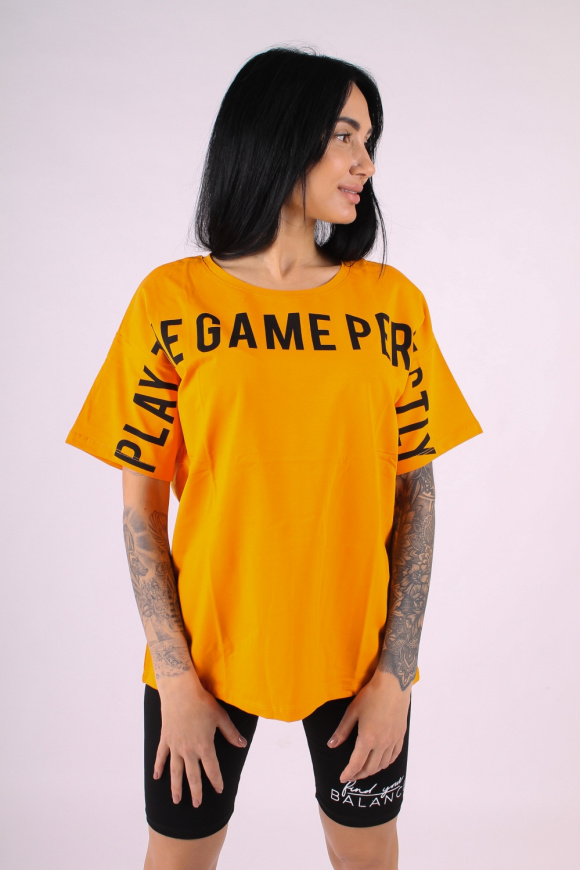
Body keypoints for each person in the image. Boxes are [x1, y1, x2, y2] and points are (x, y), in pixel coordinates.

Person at [66, 46, 482, 870]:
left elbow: (418, 500)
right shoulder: (171, 301)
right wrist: (176, 680)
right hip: (205, 664)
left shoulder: (392, 306)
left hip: (358, 665)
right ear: (280, 135)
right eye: (345, 136)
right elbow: (141, 510)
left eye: (370, 141)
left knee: (368, 860)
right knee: (177, 858)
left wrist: (396, 676)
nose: (365, 162)